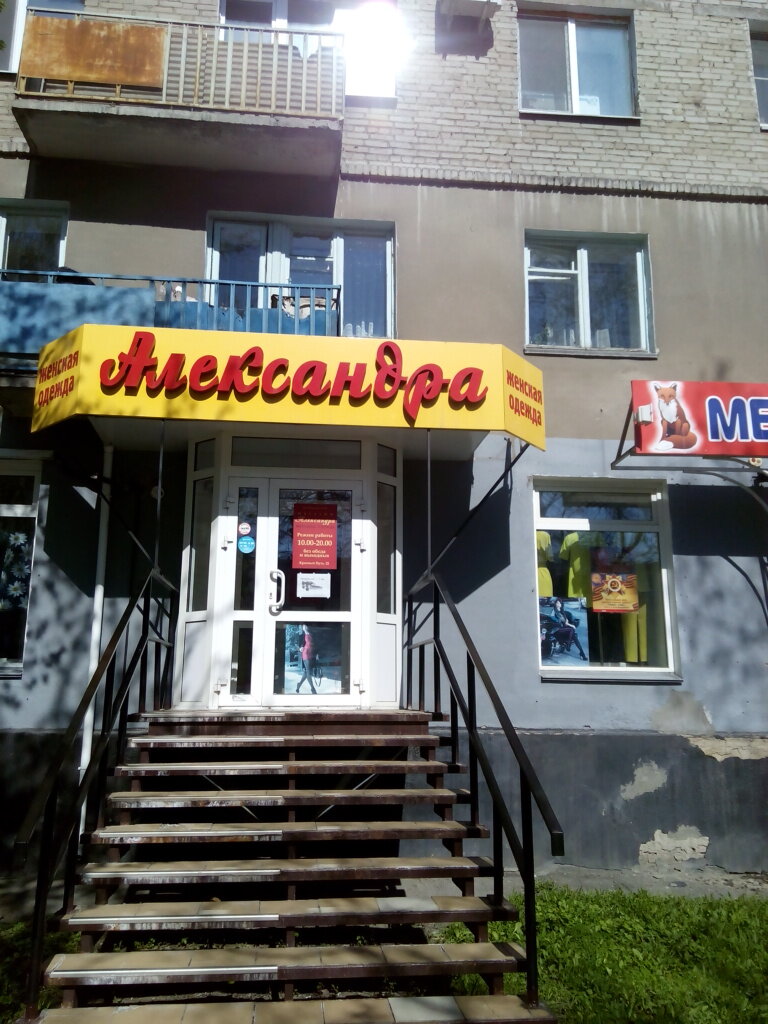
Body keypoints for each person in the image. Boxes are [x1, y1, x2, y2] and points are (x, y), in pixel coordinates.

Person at [297, 625, 317, 693]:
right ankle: (312, 688)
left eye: (306, 626)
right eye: (304, 626)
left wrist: (316, 654)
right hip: (305, 653)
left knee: (306, 671)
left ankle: (299, 685)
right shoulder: (302, 635)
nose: (305, 627)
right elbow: (299, 646)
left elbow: (314, 645)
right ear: (303, 628)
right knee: (308, 671)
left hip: (311, 654)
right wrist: (300, 648)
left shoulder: (312, 634)